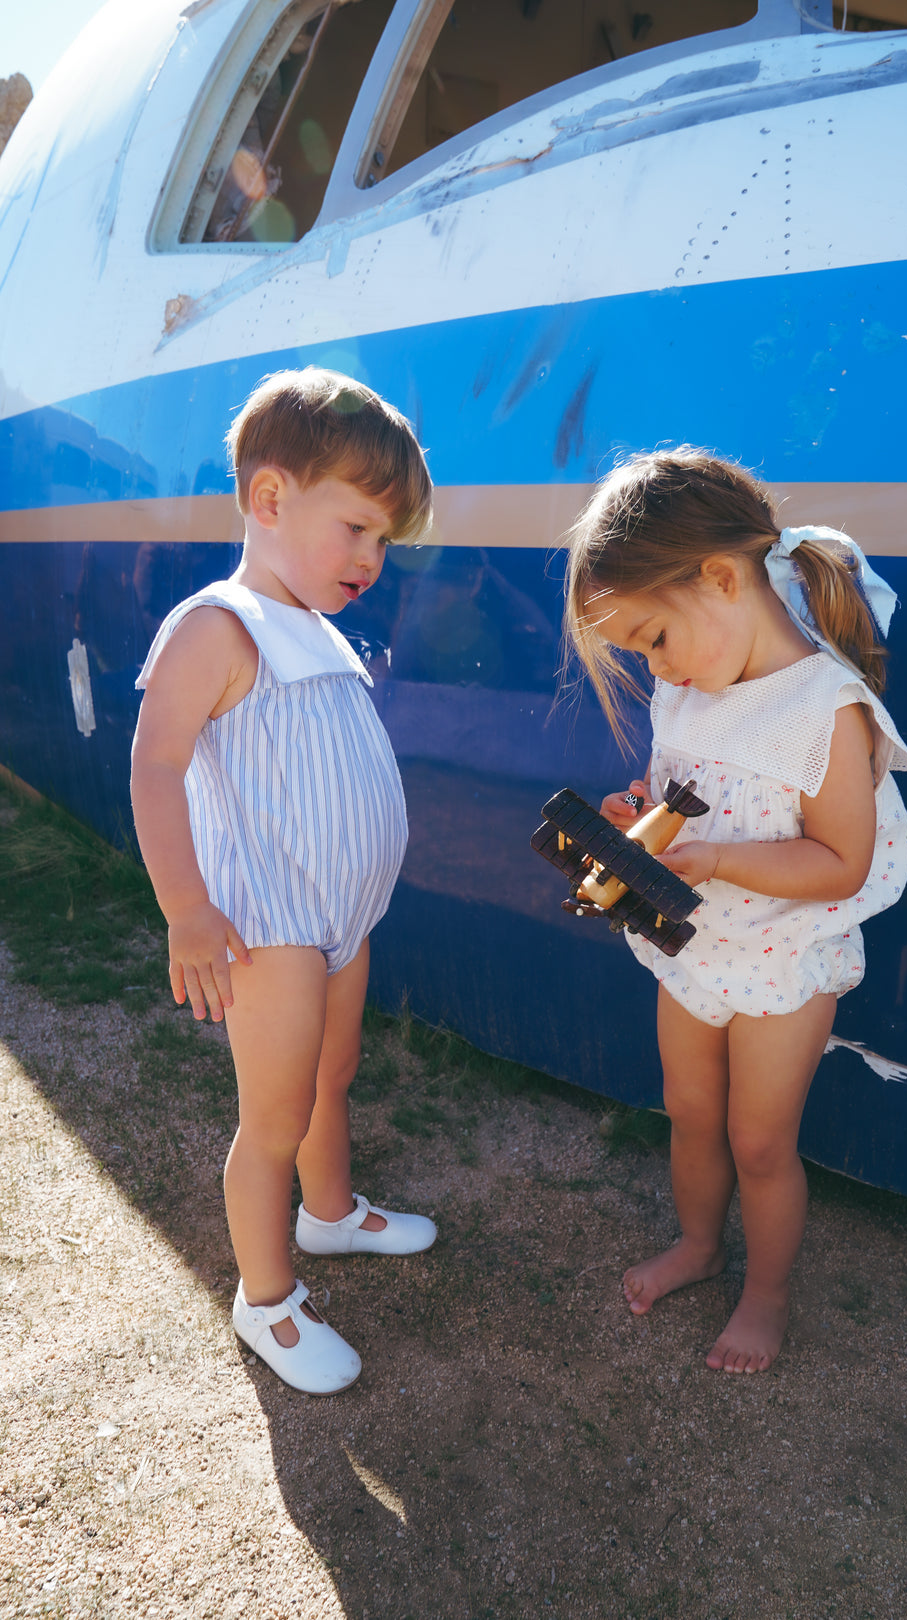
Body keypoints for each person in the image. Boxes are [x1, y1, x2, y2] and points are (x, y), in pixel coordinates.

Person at [564, 449, 907, 1374]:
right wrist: (639, 821)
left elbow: (842, 862)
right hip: (691, 950)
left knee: (760, 1142)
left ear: (720, 579)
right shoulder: (693, 682)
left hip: (782, 962)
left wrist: (718, 856)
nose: (654, 665)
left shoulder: (825, 707)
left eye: (653, 638)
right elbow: (686, 794)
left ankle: (764, 1293)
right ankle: (697, 1244)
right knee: (690, 1112)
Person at [130, 368, 437, 1395]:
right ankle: (265, 1300)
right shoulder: (216, 625)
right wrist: (187, 910)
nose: (372, 558)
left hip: (341, 916)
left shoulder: (317, 627)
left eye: (384, 541)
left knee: (331, 1079)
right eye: (357, 528)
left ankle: (332, 1213)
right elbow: (156, 762)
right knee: (273, 1115)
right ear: (269, 500)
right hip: (268, 922)